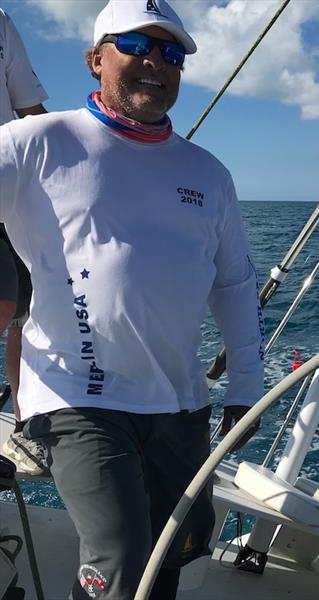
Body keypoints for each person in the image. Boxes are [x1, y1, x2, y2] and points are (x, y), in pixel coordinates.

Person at [0, 0, 266, 598]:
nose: (156, 63)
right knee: (121, 559)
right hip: (74, 393)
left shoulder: (208, 174)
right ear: (96, 59)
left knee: (171, 554)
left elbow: (234, 283)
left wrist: (247, 384)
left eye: (171, 53)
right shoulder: (34, 143)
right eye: (136, 46)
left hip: (178, 400)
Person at [0, 6, 49, 475]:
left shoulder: (0, 21)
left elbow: (29, 108)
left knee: (26, 315)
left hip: (10, 187)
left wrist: (72, 160)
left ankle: (25, 426)